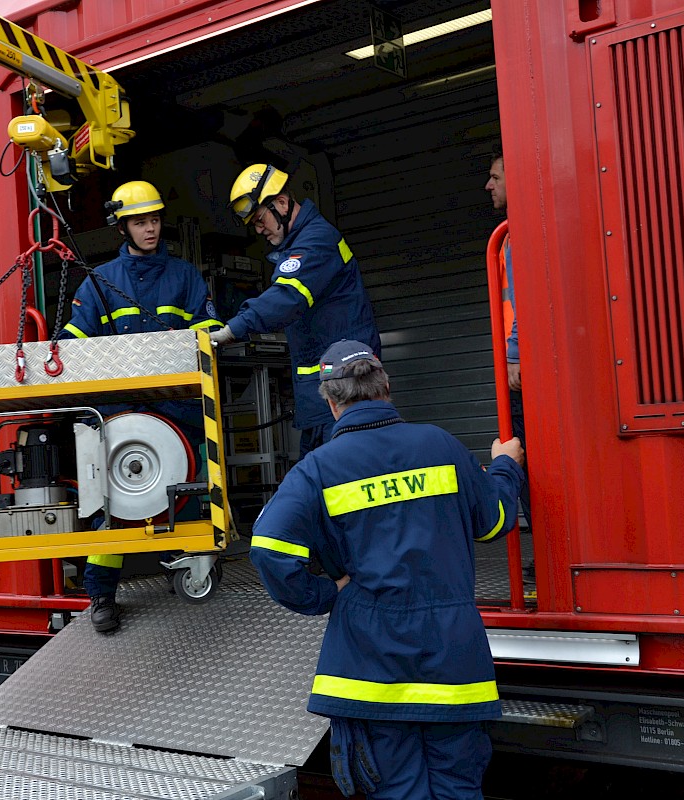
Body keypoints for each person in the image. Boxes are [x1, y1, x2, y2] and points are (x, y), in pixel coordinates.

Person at [250, 340, 525, 800]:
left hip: (371, 665)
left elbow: (269, 549)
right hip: (452, 657)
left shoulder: (318, 468)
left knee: (396, 790)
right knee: (459, 788)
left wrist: (326, 594)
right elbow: (494, 521)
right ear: (387, 388)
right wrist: (504, 468)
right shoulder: (440, 444)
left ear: (332, 402)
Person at [61, 180, 220, 633]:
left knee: (186, 491)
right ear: (123, 227)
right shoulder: (101, 280)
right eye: (139, 222)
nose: (150, 229)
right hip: (117, 414)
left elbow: (207, 327)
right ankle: (103, 596)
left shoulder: (185, 275)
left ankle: (188, 566)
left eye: (154, 220)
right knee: (108, 506)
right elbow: (78, 338)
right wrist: (47, 357)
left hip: (179, 408)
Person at [213, 164, 381, 457]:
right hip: (326, 391)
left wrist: (233, 330)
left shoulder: (315, 240)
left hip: (346, 390)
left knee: (342, 476)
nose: (259, 229)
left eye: (261, 219)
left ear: (280, 203)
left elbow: (288, 297)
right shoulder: (302, 242)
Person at [485, 146, 533, 554]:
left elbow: (524, 299)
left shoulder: (517, 236)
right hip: (517, 362)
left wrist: (514, 354)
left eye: (496, 178)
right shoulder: (514, 234)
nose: (488, 185)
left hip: (520, 367)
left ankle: (551, 555)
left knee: (530, 464)